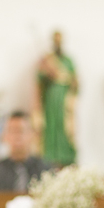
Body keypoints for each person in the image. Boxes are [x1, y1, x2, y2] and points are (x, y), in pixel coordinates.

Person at [36, 31, 78, 166]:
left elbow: (75, 82)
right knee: (51, 126)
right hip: (50, 100)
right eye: (55, 40)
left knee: (65, 128)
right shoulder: (47, 60)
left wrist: (71, 81)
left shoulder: (68, 61)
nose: (57, 43)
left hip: (65, 101)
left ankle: (66, 156)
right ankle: (50, 157)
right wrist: (47, 73)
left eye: (60, 40)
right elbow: (39, 79)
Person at [0, 111, 50, 192]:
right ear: (5, 136)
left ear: (32, 134)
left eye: (21, 131)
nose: (17, 136)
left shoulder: (45, 170)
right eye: (13, 131)